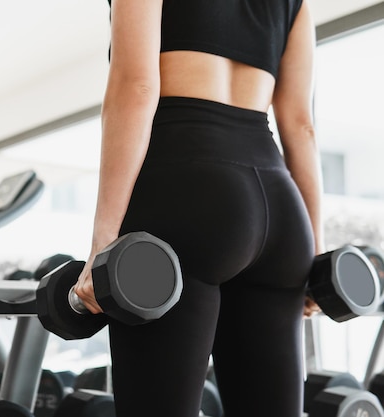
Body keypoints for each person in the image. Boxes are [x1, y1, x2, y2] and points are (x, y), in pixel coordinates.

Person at [74, 1, 323, 417]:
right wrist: (314, 255)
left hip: (186, 189)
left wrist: (104, 241)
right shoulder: (296, 4)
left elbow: (135, 87)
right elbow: (301, 126)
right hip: (280, 209)